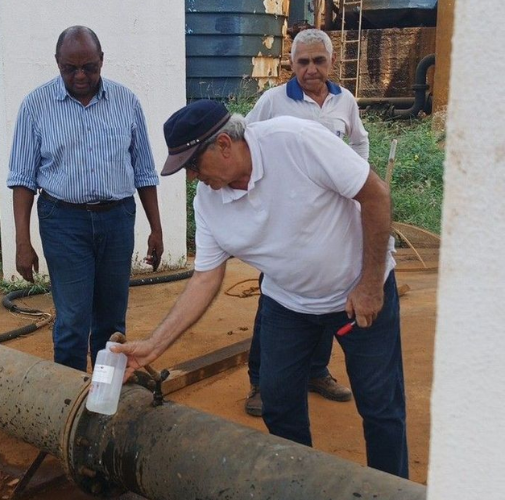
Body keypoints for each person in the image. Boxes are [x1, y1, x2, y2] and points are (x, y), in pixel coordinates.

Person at [113, 100, 408, 478]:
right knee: (279, 404)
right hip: (288, 304)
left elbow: (375, 195)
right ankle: (302, 485)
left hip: (358, 293)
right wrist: (153, 346)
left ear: (223, 144)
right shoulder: (208, 204)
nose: (191, 178)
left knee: (381, 407)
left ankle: (394, 488)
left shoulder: (296, 141)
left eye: (192, 165)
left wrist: (369, 284)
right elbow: (205, 278)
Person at [7, 26, 163, 372]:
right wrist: (22, 241)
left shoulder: (127, 102)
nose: (80, 75)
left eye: (89, 67)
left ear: (102, 60)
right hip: (63, 221)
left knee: (111, 319)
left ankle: (105, 396)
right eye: (70, 68)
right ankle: (69, 403)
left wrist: (156, 228)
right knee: (73, 320)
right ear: (57, 63)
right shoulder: (36, 106)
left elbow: (144, 172)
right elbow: (22, 180)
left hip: (117, 218)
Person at [243, 28, 370, 415]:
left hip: (331, 223)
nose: (311, 69)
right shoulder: (273, 101)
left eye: (318, 61)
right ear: (291, 64)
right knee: (275, 301)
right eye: (302, 62)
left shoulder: (345, 101)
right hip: (286, 225)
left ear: (331, 63)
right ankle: (260, 383)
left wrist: (358, 176)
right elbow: (243, 141)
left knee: (327, 300)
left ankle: (316, 371)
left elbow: (360, 141)